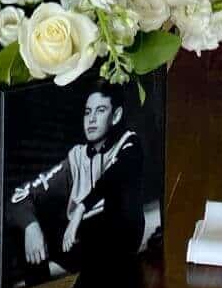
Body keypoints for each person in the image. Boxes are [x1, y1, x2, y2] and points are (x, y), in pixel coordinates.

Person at [16, 86, 146, 275]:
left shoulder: (129, 142)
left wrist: (81, 209)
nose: (91, 119)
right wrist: (30, 226)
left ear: (116, 116)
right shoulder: (76, 157)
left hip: (119, 235)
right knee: (25, 230)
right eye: (87, 112)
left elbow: (115, 177)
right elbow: (23, 195)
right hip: (82, 238)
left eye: (100, 110)